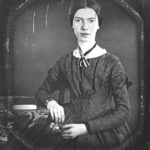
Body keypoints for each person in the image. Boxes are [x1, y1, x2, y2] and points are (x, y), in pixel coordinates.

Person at [10, 0, 134, 150]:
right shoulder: (65, 62)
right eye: (78, 20)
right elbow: (41, 92)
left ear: (98, 24)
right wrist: (51, 103)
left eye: (91, 20)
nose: (84, 27)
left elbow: (124, 111)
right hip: (68, 127)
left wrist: (86, 128)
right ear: (72, 24)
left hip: (103, 133)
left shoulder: (111, 62)